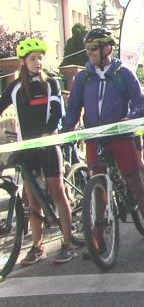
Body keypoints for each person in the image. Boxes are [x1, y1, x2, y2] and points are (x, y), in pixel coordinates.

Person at [63, 28, 144, 253]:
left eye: (93, 48)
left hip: (121, 136)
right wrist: (64, 131)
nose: (89, 53)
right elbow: (73, 109)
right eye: (87, 49)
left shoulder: (123, 73)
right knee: (97, 188)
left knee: (135, 181)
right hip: (95, 139)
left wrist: (131, 117)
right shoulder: (82, 77)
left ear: (107, 48)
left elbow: (141, 103)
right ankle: (98, 236)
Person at [0, 38, 77, 265]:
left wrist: (47, 133)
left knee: (57, 192)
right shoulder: (14, 88)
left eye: (40, 58)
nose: (38, 62)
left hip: (48, 146)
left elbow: (57, 112)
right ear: (23, 62)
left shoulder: (51, 83)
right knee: (32, 199)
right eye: (33, 59)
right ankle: (37, 246)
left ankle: (68, 243)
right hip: (27, 149)